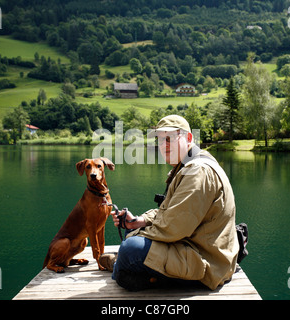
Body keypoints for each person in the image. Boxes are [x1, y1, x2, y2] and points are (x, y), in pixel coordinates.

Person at [100, 115, 239, 291]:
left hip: (206, 262)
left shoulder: (197, 171)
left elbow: (174, 227)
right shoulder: (187, 164)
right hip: (190, 244)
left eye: (170, 138)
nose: (163, 145)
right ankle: (126, 264)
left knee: (130, 248)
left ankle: (119, 265)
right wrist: (139, 221)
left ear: (188, 138)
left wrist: (135, 234)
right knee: (132, 230)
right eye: (160, 139)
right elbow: (170, 210)